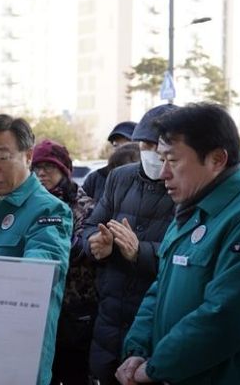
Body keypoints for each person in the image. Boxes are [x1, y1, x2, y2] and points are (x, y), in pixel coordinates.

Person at [117, 103, 240, 385]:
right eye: (161, 159)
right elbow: (159, 288)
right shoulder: (190, 210)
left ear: (217, 159)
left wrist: (156, 367)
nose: (163, 172)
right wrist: (137, 350)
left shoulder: (237, 217)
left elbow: (225, 315)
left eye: (172, 161)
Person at [0, 114, 73, 385]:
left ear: (28, 156)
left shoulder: (49, 209)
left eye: (2, 157)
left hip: (16, 349)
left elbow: (41, 272)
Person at [81, 104, 177, 385]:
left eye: (156, 146)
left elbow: (183, 255)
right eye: (144, 145)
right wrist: (96, 243)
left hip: (153, 320)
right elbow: (91, 226)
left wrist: (140, 252)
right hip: (109, 313)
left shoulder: (185, 184)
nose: (150, 153)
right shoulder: (120, 177)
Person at [31, 139, 97, 385]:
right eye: (37, 167)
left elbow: (82, 247)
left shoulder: (83, 205)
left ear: (65, 170)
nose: (41, 173)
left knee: (74, 374)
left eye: (49, 167)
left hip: (75, 308)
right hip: (39, 306)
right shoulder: (31, 203)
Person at [83, 121, 137, 202]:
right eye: (115, 145)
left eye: (126, 145)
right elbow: (80, 204)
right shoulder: (96, 178)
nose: (120, 150)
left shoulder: (148, 180)